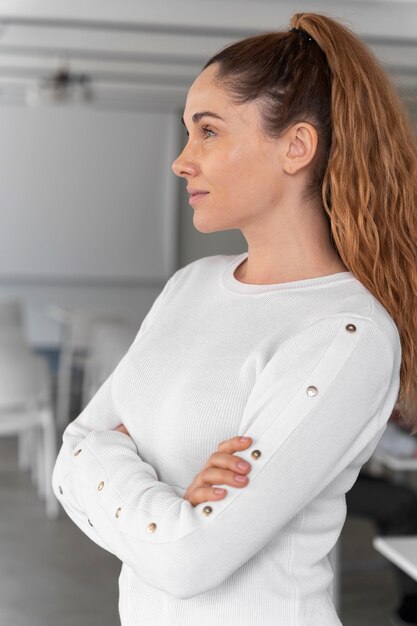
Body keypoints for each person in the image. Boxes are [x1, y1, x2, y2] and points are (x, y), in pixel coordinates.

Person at [52, 12, 417, 626]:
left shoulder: (346, 334)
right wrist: (167, 504)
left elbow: (187, 561)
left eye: (208, 131)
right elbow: (70, 452)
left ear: (296, 147)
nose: (182, 161)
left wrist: (114, 465)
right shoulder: (190, 286)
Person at [346, 409, 417, 625]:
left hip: (325, 476)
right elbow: (376, 430)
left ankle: (410, 595)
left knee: (401, 502)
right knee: (402, 504)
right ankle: (412, 600)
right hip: (316, 487)